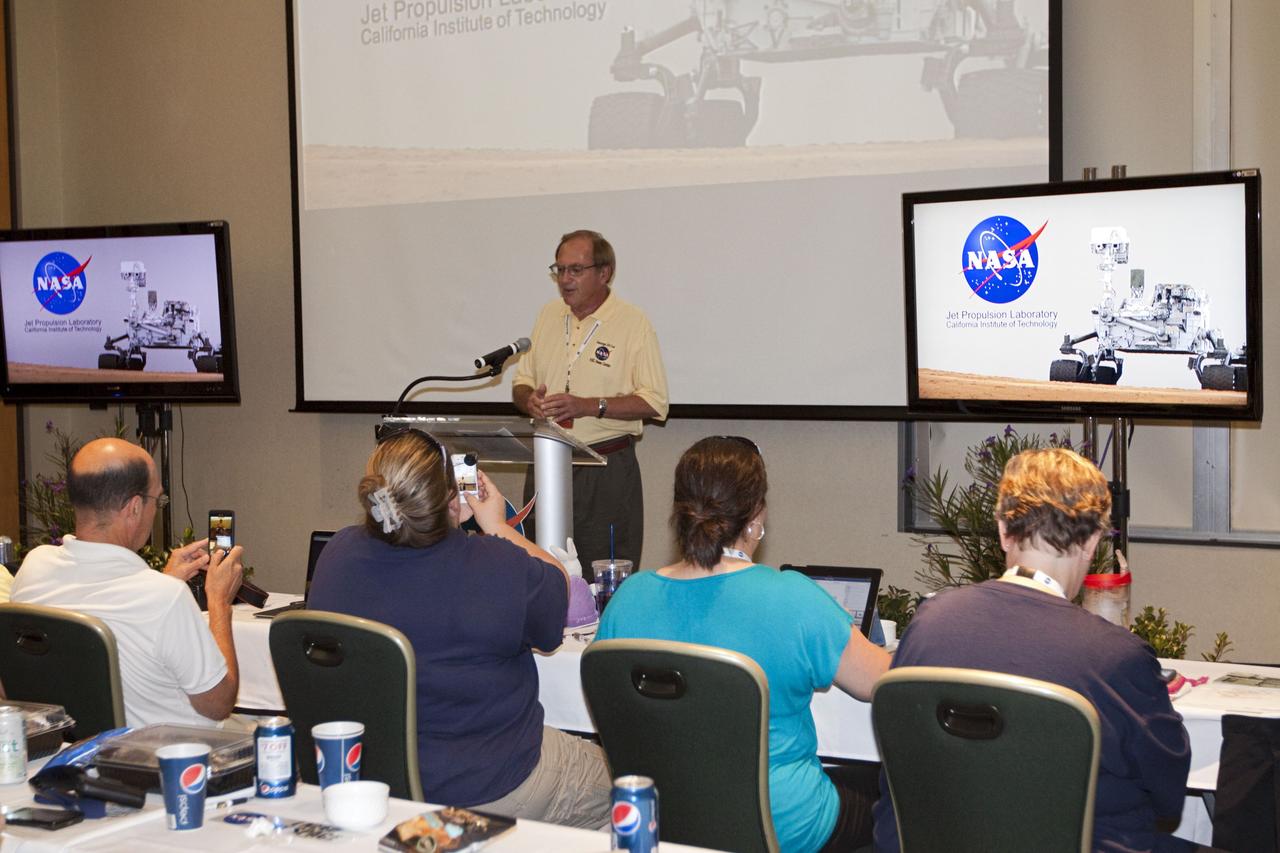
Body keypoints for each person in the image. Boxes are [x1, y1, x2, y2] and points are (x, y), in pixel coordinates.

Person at [873, 448, 1191, 853]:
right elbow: (1168, 793)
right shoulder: (1118, 656)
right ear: (1093, 541)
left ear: (1004, 529)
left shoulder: (927, 624)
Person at [596, 435, 891, 853]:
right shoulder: (793, 598)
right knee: (882, 801)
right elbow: (880, 681)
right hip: (782, 827)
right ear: (754, 519)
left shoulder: (628, 599)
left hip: (664, 819)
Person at [307, 429, 611, 828]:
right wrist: (496, 525)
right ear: (450, 497)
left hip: (371, 780)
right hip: (490, 786)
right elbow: (561, 588)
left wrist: (452, 518)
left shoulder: (339, 554)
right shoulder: (495, 564)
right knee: (632, 781)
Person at [12, 438, 245, 728]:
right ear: (134, 507)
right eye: (156, 500)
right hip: (169, 760)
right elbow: (218, 704)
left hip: (70, 749)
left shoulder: (34, 567)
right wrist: (219, 602)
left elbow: (104, 603)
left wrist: (162, 581)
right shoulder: (165, 598)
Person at [512, 229, 668, 575]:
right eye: (560, 270)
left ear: (604, 272)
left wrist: (588, 406)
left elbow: (655, 402)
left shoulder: (632, 323)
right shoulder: (547, 316)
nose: (565, 279)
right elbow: (521, 383)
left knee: (601, 573)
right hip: (547, 461)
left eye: (576, 270)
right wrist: (529, 401)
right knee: (540, 570)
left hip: (604, 467)